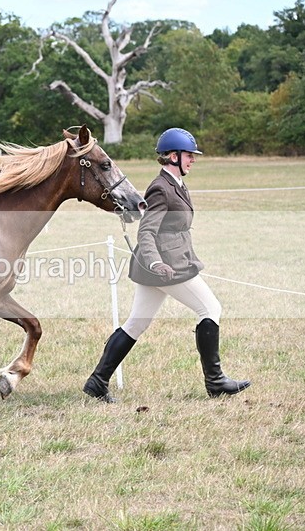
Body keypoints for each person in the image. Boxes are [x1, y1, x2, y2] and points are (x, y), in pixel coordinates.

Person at [83, 128, 250, 403]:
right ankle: (216, 381)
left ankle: (97, 381)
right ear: (173, 156)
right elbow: (146, 231)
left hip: (165, 264)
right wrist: (157, 261)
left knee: (136, 323)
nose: (193, 160)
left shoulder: (177, 184)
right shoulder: (161, 187)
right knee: (210, 308)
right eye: (189, 155)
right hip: (167, 267)